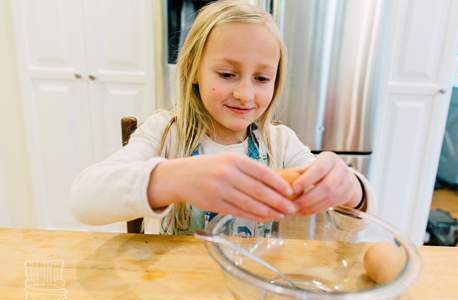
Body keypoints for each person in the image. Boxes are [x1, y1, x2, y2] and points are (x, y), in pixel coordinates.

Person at [70, 0, 374, 236]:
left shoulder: (279, 143)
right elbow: (83, 200)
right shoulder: (165, 132)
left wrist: (351, 188)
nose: (245, 93)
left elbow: (356, 223)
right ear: (190, 70)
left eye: (262, 78)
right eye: (227, 74)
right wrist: (171, 180)